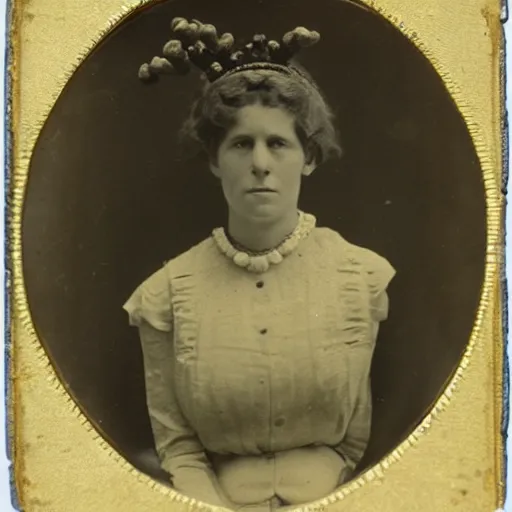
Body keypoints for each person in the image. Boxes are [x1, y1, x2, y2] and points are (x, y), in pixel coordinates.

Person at [123, 17, 395, 511]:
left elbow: (359, 442)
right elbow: (178, 448)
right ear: (214, 160)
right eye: (241, 144)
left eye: (279, 143)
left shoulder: (361, 277)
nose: (261, 164)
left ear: (308, 157)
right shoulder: (167, 293)